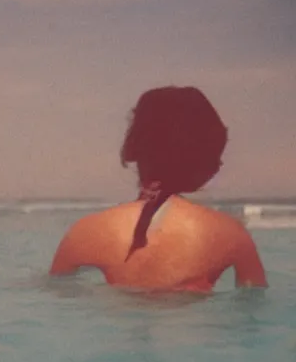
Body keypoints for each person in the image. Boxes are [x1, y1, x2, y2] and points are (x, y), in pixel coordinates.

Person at [49, 85, 267, 292]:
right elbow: (254, 310)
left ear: (133, 148)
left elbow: (57, 304)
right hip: (193, 327)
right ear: (205, 160)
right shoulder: (231, 236)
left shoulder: (84, 233)